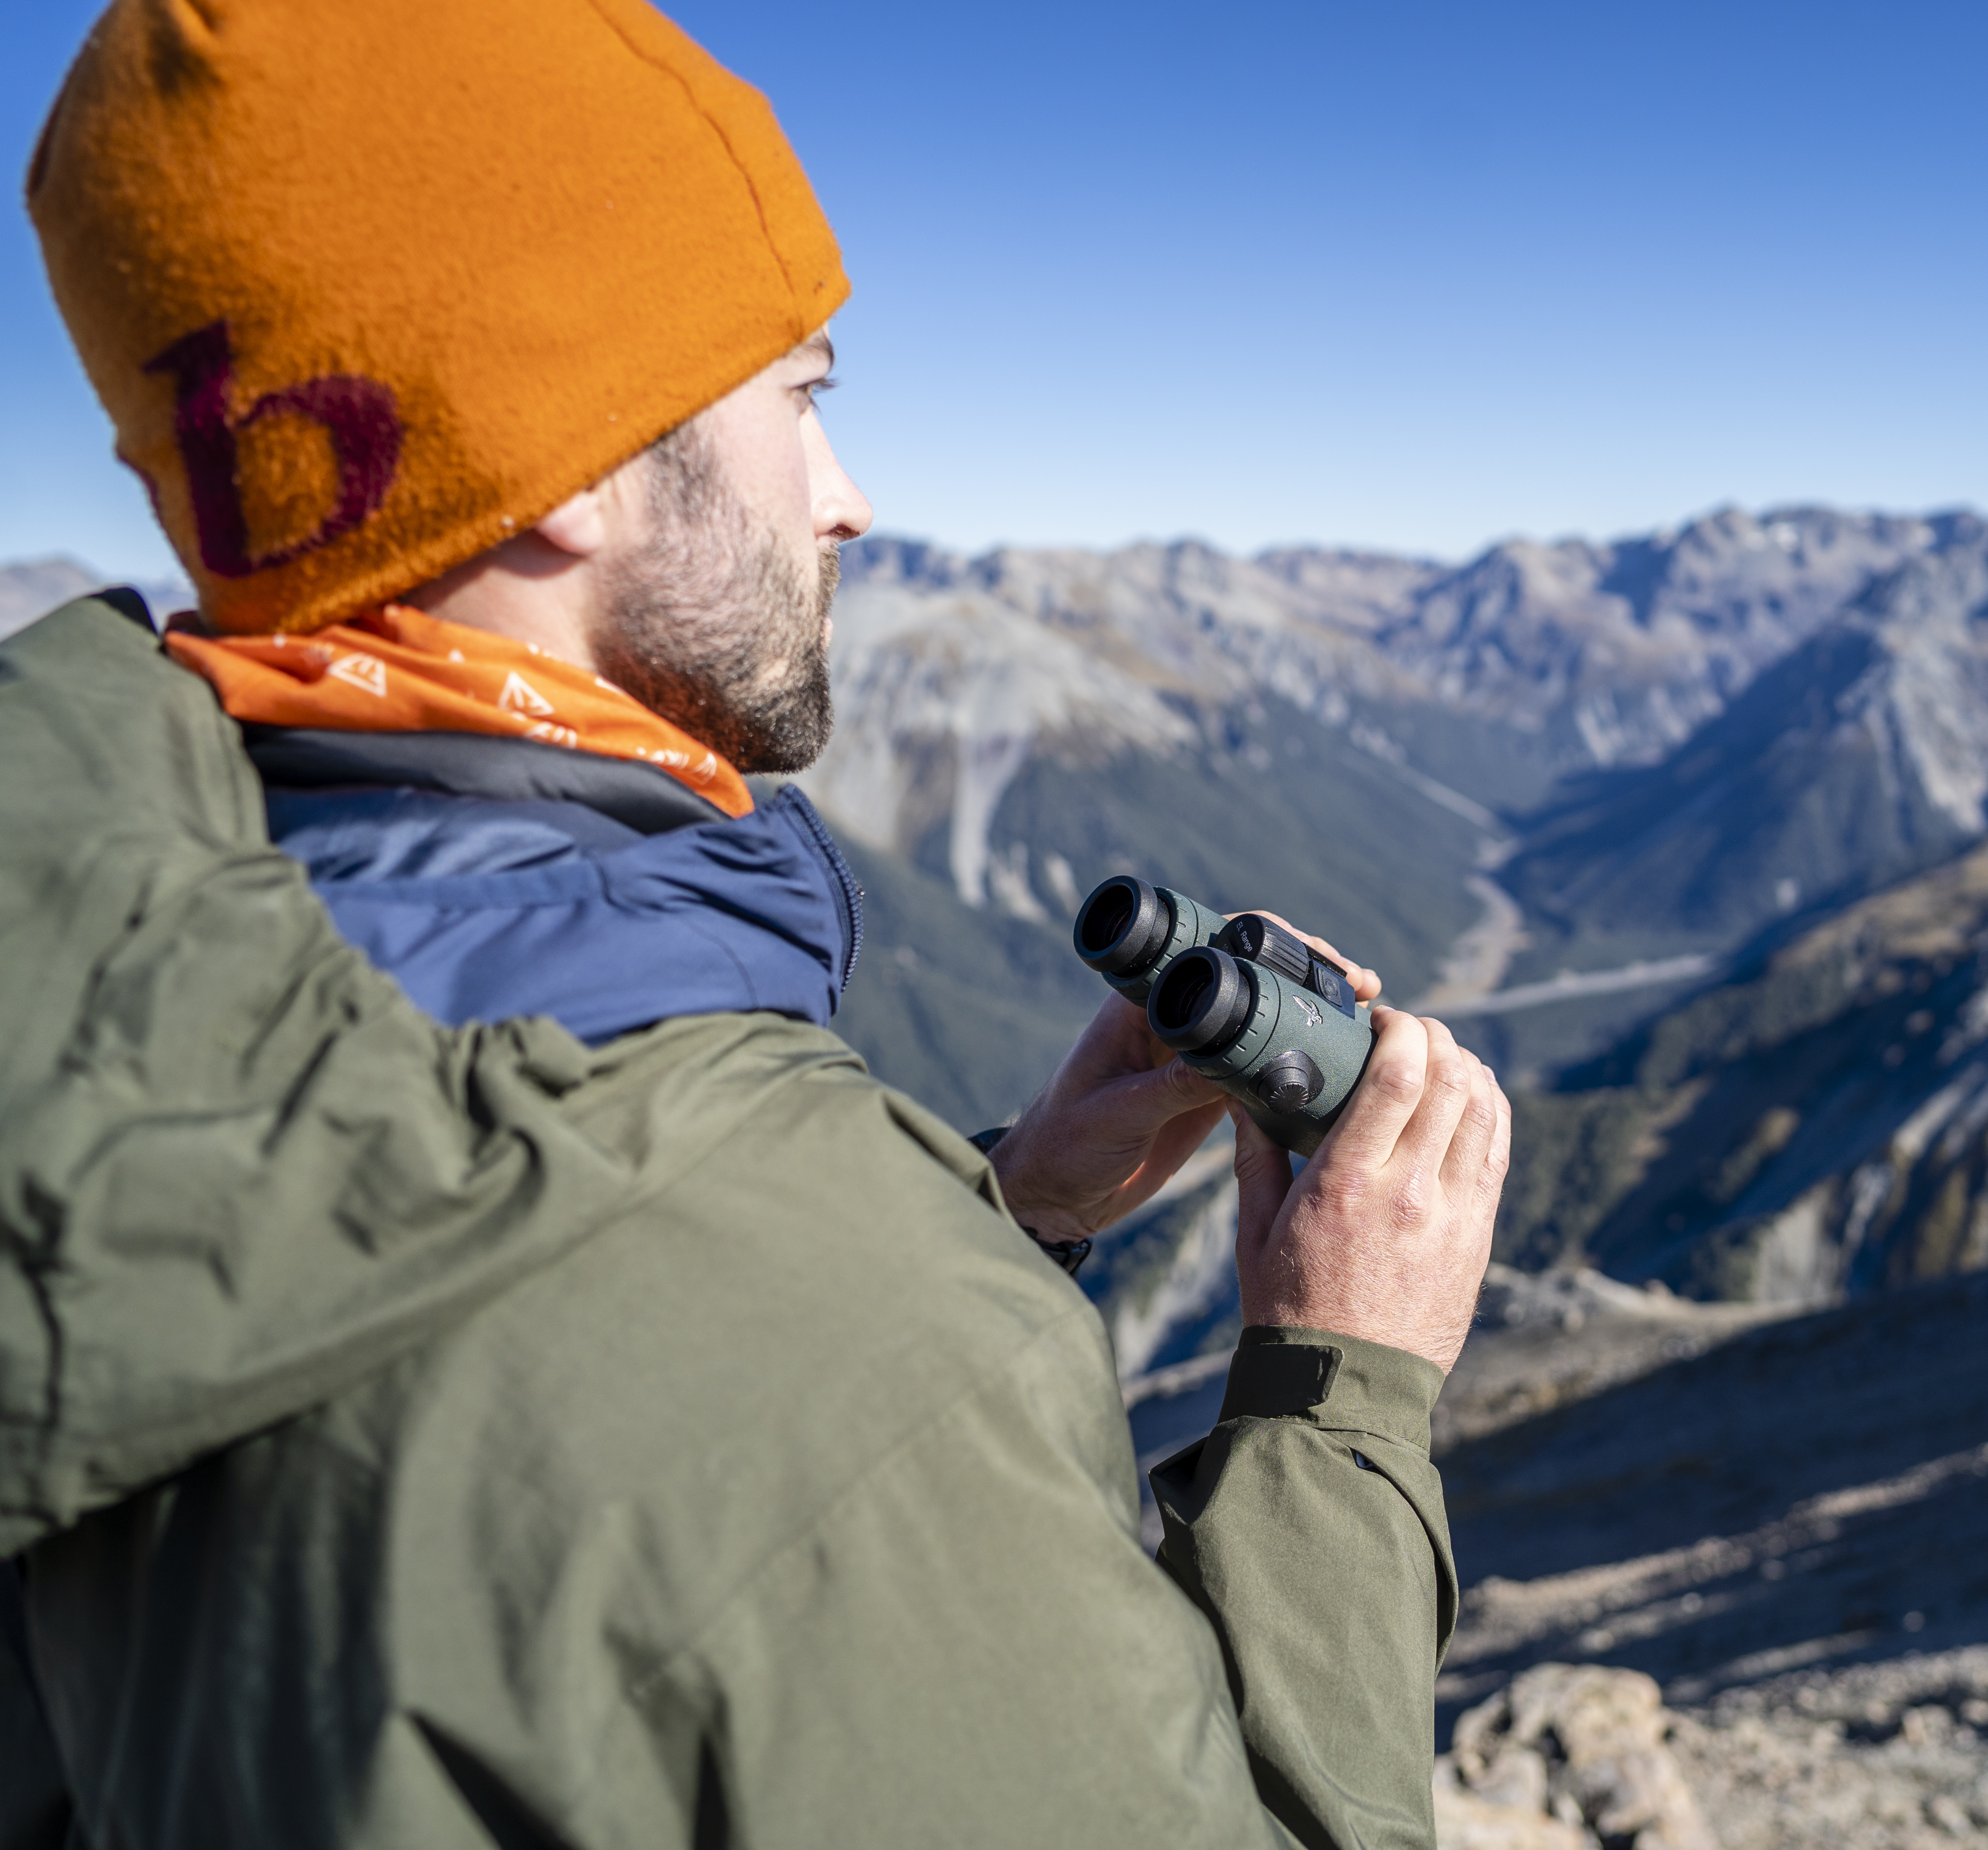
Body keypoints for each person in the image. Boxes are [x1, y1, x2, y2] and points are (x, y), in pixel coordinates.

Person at [0, 2, 1507, 1844]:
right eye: (801, 399)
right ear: (555, 461)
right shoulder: (831, 1342)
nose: (850, 501)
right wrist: (1343, 1390)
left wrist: (1006, 1201)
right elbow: (727, 1390)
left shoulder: (107, 985)